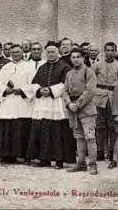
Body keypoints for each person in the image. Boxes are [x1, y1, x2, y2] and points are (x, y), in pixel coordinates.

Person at [26, 41, 76, 169]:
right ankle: (44, 159)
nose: (50, 54)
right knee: (42, 130)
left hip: (56, 103)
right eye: (48, 52)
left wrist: (51, 90)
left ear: (58, 52)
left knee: (57, 132)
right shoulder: (42, 67)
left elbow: (66, 84)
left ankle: (59, 160)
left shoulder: (65, 67)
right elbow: (34, 83)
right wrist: (39, 90)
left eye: (53, 52)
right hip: (42, 102)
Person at [0, 44, 35, 163]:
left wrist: (21, 90)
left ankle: (25, 155)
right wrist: (5, 90)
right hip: (8, 101)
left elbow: (33, 84)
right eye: (13, 52)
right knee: (7, 128)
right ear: (10, 53)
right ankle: (7, 155)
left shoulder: (29, 67)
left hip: (22, 101)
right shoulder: (6, 67)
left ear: (22, 53)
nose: (15, 54)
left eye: (18, 52)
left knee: (22, 127)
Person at [64, 50, 98, 175]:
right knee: (79, 137)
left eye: (78, 57)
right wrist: (69, 104)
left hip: (86, 109)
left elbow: (90, 91)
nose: (76, 59)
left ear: (83, 58)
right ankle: (81, 163)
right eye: (73, 57)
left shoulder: (89, 72)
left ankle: (93, 164)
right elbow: (65, 91)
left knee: (89, 137)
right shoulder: (69, 74)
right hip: (73, 110)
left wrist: (77, 105)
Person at [91, 42, 118, 161]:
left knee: (112, 126)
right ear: (104, 51)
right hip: (99, 96)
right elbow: (91, 81)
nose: (110, 53)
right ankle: (99, 151)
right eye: (107, 50)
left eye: (112, 50)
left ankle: (111, 151)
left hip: (113, 96)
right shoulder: (97, 65)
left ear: (115, 52)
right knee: (99, 125)